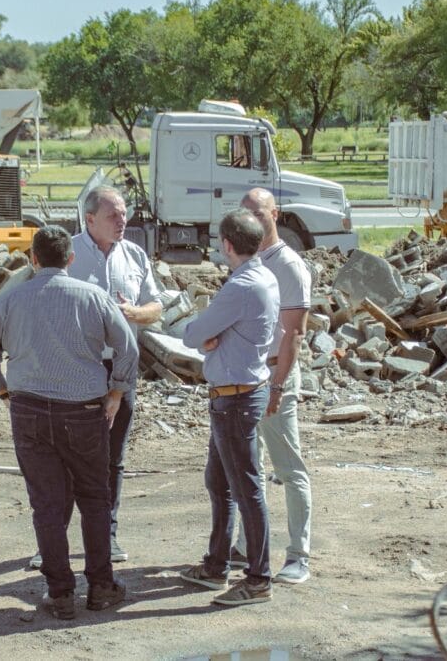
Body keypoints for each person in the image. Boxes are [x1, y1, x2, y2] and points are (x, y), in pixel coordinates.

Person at [0, 225, 138, 620]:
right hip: (83, 411)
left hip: (29, 410)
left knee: (46, 504)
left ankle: (60, 592)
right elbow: (128, 347)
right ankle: (100, 587)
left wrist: (1, 388)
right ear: (71, 259)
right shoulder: (93, 297)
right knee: (94, 499)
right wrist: (116, 391)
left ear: (33, 258)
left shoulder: (12, 299)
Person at [21, 185, 160, 570]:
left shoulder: (134, 255)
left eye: (124, 213)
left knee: (112, 459)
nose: (123, 220)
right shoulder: (66, 255)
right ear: (90, 219)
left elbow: (156, 306)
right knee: (62, 461)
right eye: (114, 214)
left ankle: (108, 536)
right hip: (72, 372)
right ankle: (52, 543)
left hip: (120, 369)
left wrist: (132, 314)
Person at [179, 210, 279, 606]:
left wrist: (207, 336)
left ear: (227, 245)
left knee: (245, 489)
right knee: (221, 483)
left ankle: (257, 579)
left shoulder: (239, 287)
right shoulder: (263, 277)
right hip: (239, 394)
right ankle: (217, 564)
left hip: (234, 399)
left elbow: (192, 334)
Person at [233, 187, 313, 585]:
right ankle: (247, 547)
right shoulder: (248, 261)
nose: (251, 218)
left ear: (275, 214)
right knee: (250, 465)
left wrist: (278, 387)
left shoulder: (289, 266)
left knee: (288, 466)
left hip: (273, 378)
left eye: (258, 212)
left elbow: (294, 334)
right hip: (249, 376)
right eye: (245, 212)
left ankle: (298, 555)